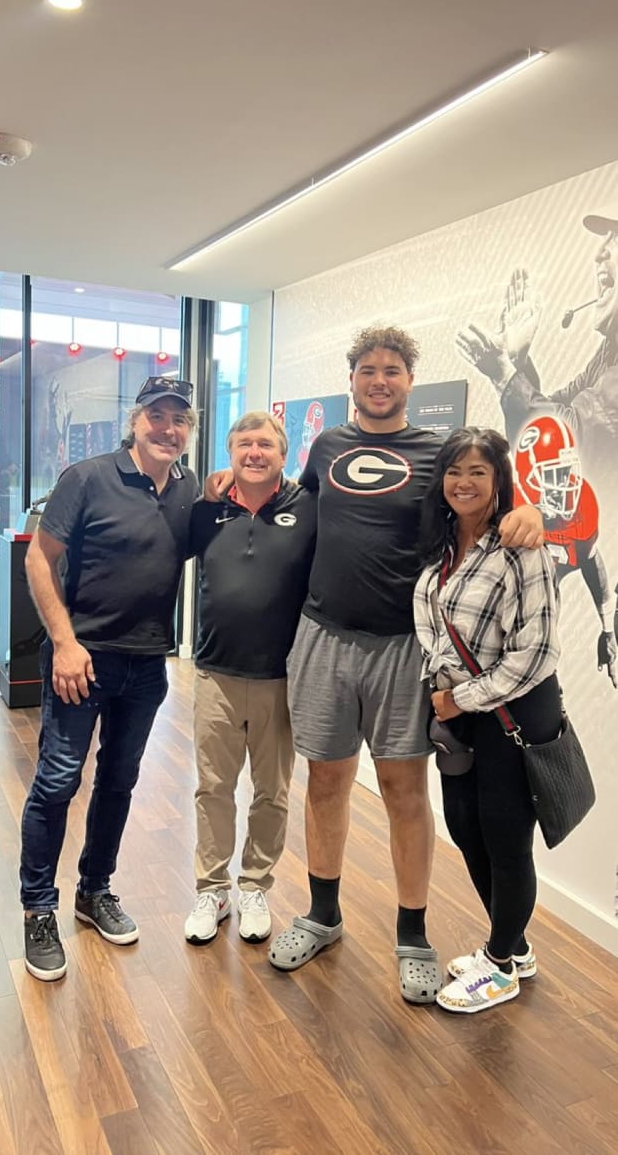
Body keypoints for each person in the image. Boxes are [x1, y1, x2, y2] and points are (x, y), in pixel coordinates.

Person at [265, 325, 543, 1003]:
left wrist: (529, 507)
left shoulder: (435, 451)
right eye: (367, 369)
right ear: (352, 380)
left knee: (403, 791)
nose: (379, 380)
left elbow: (486, 492)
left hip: (404, 648)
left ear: (410, 381)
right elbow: (292, 506)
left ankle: (413, 932)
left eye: (392, 370)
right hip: (324, 637)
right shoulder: (327, 445)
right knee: (325, 783)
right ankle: (322, 913)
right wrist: (230, 481)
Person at [20, 375, 199, 981]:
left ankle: (94, 890)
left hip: (147, 664)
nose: (167, 428)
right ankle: (38, 909)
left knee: (120, 780)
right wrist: (65, 644)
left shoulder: (189, 488)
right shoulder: (87, 477)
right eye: (157, 416)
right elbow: (38, 559)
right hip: (82, 661)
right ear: (135, 420)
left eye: (179, 418)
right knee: (57, 782)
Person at [413, 427, 561, 1013]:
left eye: (478, 471)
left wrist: (461, 698)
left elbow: (538, 653)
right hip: (462, 713)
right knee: (466, 828)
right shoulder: (442, 544)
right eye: (455, 470)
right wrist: (445, 693)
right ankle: (515, 946)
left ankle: (498, 966)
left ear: (499, 478)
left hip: (513, 712)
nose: (464, 482)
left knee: (505, 840)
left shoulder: (525, 549)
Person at [185, 411, 317, 945]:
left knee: (273, 791)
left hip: (281, 677)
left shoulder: (309, 509)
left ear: (284, 455)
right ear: (230, 454)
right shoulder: (207, 510)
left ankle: (255, 884)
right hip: (215, 673)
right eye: (244, 445)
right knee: (213, 787)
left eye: (265, 444)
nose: (254, 453)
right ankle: (212, 888)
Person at [455, 207, 618, 474]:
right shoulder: (610, 349)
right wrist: (514, 363)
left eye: (616, 237)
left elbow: (572, 439)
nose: (599, 253)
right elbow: (556, 411)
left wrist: (503, 374)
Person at [513, 414, 618, 687]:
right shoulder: (508, 506)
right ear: (527, 476)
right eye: (553, 475)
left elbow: (592, 563)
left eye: (565, 472)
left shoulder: (583, 503)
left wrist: (608, 632)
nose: (564, 485)